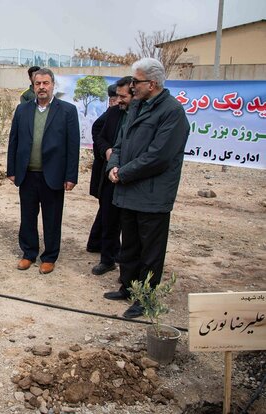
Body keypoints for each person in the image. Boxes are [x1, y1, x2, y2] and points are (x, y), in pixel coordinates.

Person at [104, 58, 190, 318]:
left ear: (152, 84)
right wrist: (114, 167)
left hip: (153, 195)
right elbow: (120, 143)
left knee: (150, 251)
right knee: (129, 244)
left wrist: (124, 173)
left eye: (136, 81)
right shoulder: (136, 106)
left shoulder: (172, 112)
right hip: (128, 190)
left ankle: (145, 298)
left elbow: (158, 157)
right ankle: (128, 288)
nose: (132, 86)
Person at [7, 68, 80, 275]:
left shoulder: (67, 111)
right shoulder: (23, 110)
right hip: (27, 174)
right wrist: (11, 169)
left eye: (45, 83)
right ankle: (29, 253)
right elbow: (14, 140)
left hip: (54, 175)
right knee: (27, 216)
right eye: (38, 84)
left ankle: (49, 257)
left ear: (53, 85)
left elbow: (72, 146)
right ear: (33, 85)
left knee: (52, 218)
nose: (41, 87)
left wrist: (71, 176)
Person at [88, 77, 134, 276]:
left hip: (132, 177)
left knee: (130, 225)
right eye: (118, 96)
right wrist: (106, 150)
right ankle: (107, 259)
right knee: (108, 218)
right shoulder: (114, 113)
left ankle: (127, 266)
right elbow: (100, 134)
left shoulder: (141, 115)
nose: (118, 100)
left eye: (123, 96)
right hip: (110, 174)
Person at [86, 83, 118, 254]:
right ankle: (98, 244)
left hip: (109, 172)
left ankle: (95, 242)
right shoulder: (105, 120)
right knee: (106, 211)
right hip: (105, 173)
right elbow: (100, 145)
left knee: (106, 210)